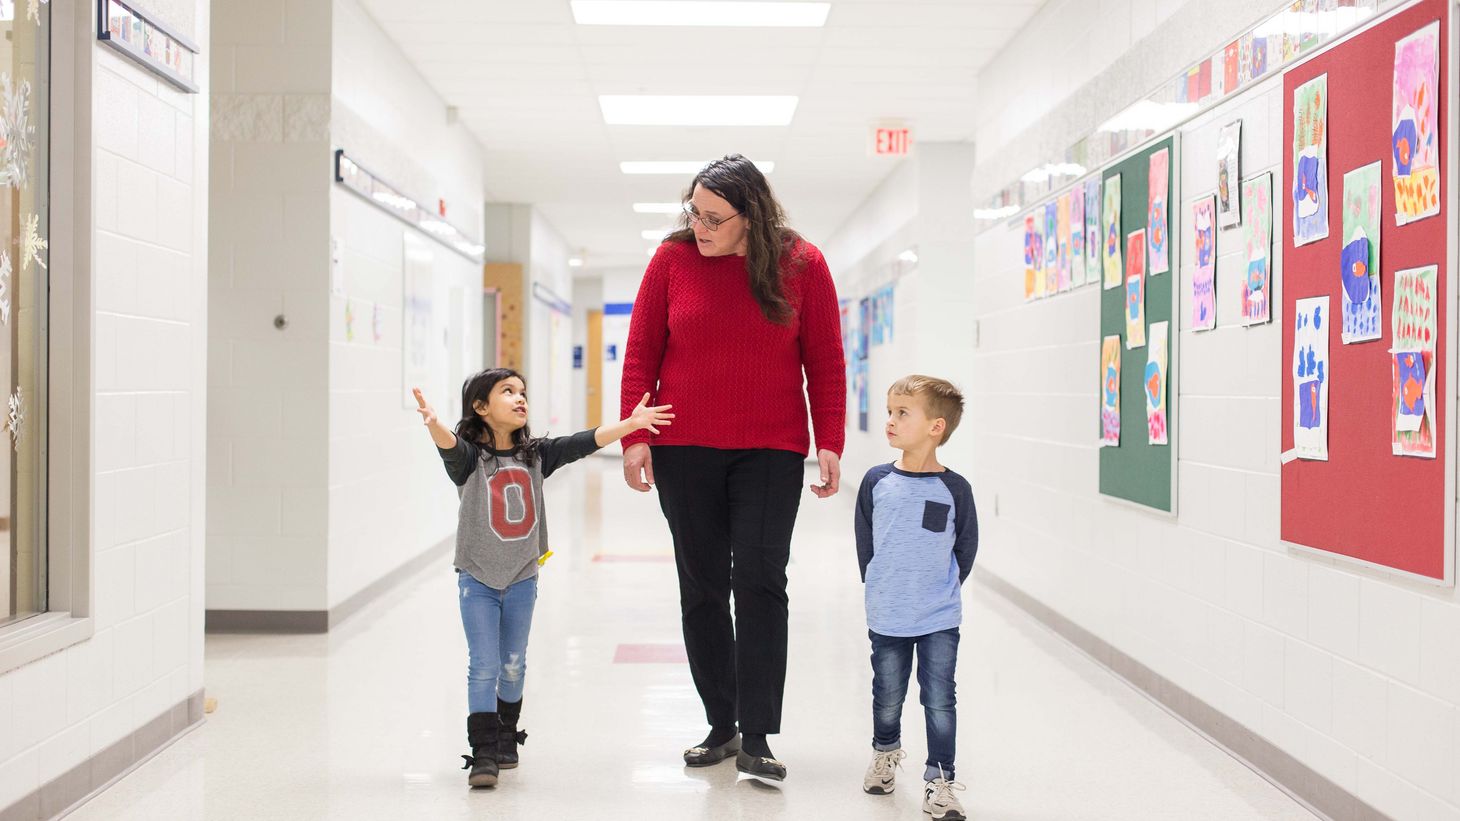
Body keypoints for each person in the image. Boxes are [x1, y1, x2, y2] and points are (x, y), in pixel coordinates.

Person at [619, 154, 846, 781]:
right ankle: (721, 721)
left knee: (761, 579)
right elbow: (642, 351)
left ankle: (758, 734)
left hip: (771, 450)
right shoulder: (671, 261)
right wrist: (635, 435)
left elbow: (824, 360)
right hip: (683, 445)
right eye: (693, 211)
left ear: (753, 218)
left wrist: (830, 439)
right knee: (702, 585)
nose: (700, 225)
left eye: (715, 217)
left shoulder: (802, 264)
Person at [413, 370, 673, 788]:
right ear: (480, 408)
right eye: (507, 392)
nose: (520, 399)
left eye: (522, 393)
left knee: (513, 665)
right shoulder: (470, 460)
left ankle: (506, 736)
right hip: (477, 577)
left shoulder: (536, 455)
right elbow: (449, 446)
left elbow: (582, 443)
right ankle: (483, 752)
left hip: (521, 577)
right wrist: (435, 425)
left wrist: (630, 425)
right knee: (484, 664)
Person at [855, 376, 977, 821]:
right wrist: (881, 587)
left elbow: (965, 550)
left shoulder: (956, 490)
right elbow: (865, 545)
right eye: (889, 411)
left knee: (940, 698)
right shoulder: (876, 482)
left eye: (902, 413)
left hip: (939, 616)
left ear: (936, 427)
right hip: (887, 613)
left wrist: (936, 591)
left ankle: (940, 782)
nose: (890, 420)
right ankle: (885, 754)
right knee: (887, 694)